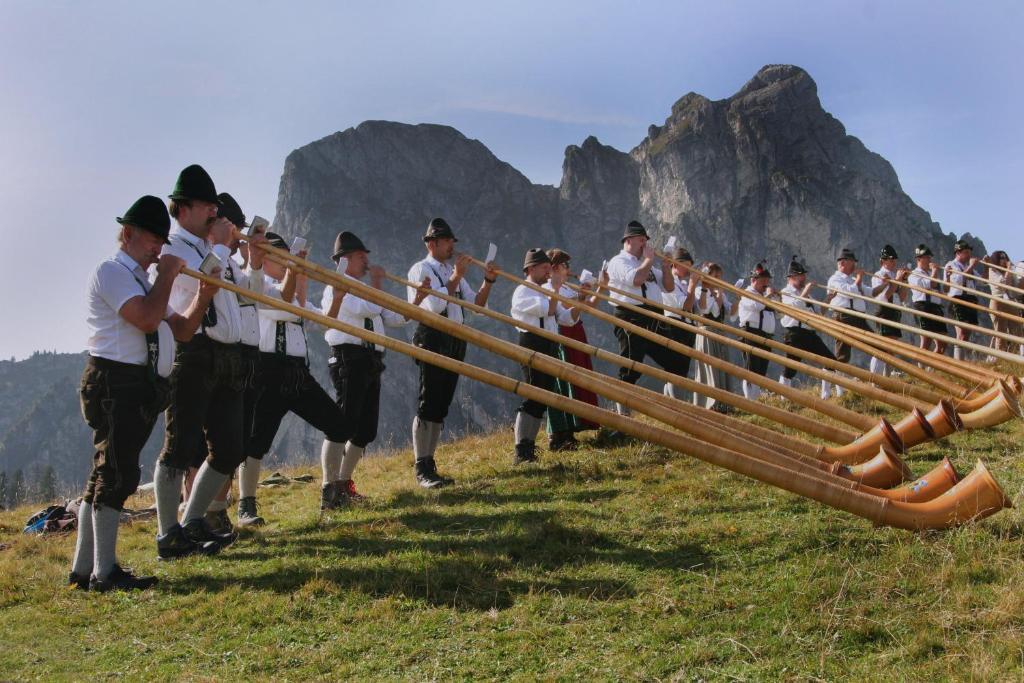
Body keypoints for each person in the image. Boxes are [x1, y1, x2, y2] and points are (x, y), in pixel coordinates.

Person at [70, 195, 218, 590]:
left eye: (161, 240)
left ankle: (83, 570)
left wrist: (204, 294)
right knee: (116, 474)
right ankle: (105, 573)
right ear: (128, 234)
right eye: (153, 240)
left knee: (105, 474)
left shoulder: (140, 279)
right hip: (115, 380)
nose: (158, 249)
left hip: (135, 384)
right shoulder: (112, 271)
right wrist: (168, 274)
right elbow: (148, 318)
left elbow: (182, 330)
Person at [153, 165, 266, 559]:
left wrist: (248, 254)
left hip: (228, 355)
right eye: (208, 207)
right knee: (179, 446)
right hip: (194, 352)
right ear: (184, 208)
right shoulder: (174, 248)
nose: (214, 215)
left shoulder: (214, 249)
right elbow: (197, 288)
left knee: (229, 447)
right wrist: (219, 247)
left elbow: (243, 293)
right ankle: (168, 533)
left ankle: (193, 520)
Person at [241, 233, 355, 514]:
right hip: (267, 371)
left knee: (338, 425)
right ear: (265, 259)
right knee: (256, 442)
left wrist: (337, 298)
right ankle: (247, 504)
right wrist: (297, 274)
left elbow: (319, 320)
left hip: (297, 373)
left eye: (287, 258)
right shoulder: (257, 285)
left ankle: (330, 491)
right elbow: (284, 308)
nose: (285, 264)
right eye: (281, 258)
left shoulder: (289, 290)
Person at [321, 231, 428, 502]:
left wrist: (416, 301)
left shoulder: (367, 288)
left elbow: (393, 316)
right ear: (344, 259)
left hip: (370, 360)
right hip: (349, 357)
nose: (366, 261)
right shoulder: (336, 285)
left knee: (366, 429)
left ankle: (343, 482)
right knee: (342, 424)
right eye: (360, 256)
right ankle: (328, 487)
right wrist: (378, 283)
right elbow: (365, 309)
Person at [406, 218, 498, 488]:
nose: (452, 246)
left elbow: (477, 305)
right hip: (432, 336)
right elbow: (435, 305)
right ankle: (421, 467)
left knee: (442, 403)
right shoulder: (420, 269)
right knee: (429, 401)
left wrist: (488, 280)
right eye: (447, 242)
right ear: (432, 243)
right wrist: (456, 276)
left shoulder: (449, 269)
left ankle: (429, 462)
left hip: (456, 337)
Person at [509, 248, 581, 464]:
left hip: (549, 343)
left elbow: (565, 318)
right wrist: (556, 288)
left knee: (545, 395)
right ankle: (522, 447)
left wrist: (581, 302)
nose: (548, 273)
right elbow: (547, 311)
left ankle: (528, 446)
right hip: (532, 343)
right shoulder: (523, 291)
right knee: (534, 395)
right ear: (530, 269)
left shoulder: (545, 290)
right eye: (544, 268)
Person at [605, 221, 683, 414]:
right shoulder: (618, 261)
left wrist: (665, 267)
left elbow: (669, 287)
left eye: (646, 241)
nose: (645, 245)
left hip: (654, 316)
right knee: (632, 364)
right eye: (642, 240)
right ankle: (623, 415)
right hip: (631, 316)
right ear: (629, 241)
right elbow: (636, 279)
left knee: (675, 360)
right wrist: (648, 260)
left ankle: (673, 408)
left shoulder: (647, 265)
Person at [541, 249, 600, 451]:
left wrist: (599, 287)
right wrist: (581, 298)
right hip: (562, 337)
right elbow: (564, 315)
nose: (569, 270)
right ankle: (558, 433)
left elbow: (588, 306)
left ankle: (572, 428)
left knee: (576, 381)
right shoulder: (550, 287)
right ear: (555, 267)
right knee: (562, 384)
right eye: (566, 266)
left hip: (575, 332)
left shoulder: (565, 286)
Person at [778, 257, 838, 398]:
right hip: (794, 333)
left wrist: (828, 299)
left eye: (804, 275)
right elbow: (795, 307)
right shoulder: (786, 292)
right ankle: (783, 397)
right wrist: (805, 291)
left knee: (830, 360)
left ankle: (825, 395)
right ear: (791, 277)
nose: (804, 278)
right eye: (800, 275)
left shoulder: (807, 294)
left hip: (809, 332)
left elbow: (819, 313)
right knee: (790, 367)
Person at [692, 262, 739, 411]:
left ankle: (723, 402)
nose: (719, 279)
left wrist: (738, 298)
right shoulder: (700, 291)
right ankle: (709, 402)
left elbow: (731, 315)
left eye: (720, 276)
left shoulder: (721, 294)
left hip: (719, 332)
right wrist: (713, 292)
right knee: (709, 367)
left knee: (721, 367)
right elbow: (705, 308)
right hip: (706, 333)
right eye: (716, 276)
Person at [826, 248, 876, 384]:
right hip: (843, 316)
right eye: (852, 262)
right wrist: (859, 279)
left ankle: (876, 381)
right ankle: (838, 387)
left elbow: (871, 292)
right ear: (843, 263)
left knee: (876, 346)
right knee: (843, 353)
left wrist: (886, 284)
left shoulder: (853, 279)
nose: (855, 265)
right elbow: (849, 292)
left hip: (858, 317)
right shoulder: (834, 279)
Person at [660, 247, 700, 399]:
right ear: (675, 265)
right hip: (675, 326)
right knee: (677, 367)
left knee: (683, 367)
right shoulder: (669, 282)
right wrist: (692, 285)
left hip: (687, 327)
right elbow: (685, 306)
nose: (689, 269)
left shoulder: (682, 285)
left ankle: (672, 402)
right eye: (687, 266)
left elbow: (696, 309)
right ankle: (676, 403)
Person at [736, 263, 777, 400]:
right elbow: (757, 306)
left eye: (767, 280)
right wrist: (769, 296)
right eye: (763, 280)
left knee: (761, 370)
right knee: (751, 368)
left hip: (765, 336)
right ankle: (750, 400)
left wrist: (777, 298)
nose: (766, 283)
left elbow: (780, 315)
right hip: (751, 333)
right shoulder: (747, 293)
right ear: (753, 280)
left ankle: (756, 398)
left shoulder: (765, 295)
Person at [869, 245, 909, 377]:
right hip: (884, 310)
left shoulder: (894, 274)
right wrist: (897, 279)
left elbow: (903, 297)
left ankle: (887, 378)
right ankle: (874, 378)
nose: (894, 263)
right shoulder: (878, 275)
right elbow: (886, 295)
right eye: (890, 260)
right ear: (883, 261)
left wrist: (905, 281)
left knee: (892, 348)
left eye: (894, 260)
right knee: (882, 347)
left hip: (895, 310)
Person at [944, 239, 984, 361]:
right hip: (958, 299)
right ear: (958, 253)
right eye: (966, 252)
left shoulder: (967, 266)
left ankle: (963, 359)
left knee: (968, 333)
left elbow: (982, 282)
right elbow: (958, 281)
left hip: (970, 299)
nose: (969, 255)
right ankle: (958, 362)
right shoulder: (951, 265)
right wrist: (972, 266)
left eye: (969, 252)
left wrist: (986, 266)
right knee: (961, 333)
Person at [907, 244, 949, 355]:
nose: (929, 259)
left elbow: (942, 290)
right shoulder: (913, 275)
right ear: (919, 259)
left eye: (930, 257)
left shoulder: (931, 273)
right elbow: (929, 284)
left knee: (943, 342)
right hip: (922, 306)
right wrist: (935, 271)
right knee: (926, 340)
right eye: (926, 257)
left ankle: (932, 368)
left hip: (936, 306)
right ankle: (920, 368)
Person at [983, 251, 1019, 355]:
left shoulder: (1008, 271)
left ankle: (1015, 354)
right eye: (1001, 258)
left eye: (1005, 258)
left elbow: (1016, 284)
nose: (1004, 260)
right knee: (1000, 331)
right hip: (998, 302)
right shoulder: (992, 270)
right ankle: (1000, 356)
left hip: (1010, 301)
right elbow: (1004, 284)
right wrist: (1008, 269)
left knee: (1017, 329)